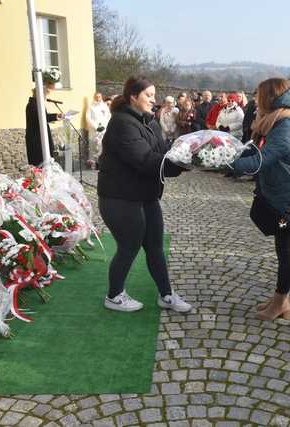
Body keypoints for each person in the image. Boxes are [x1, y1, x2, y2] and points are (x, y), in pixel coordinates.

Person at [97, 76, 191, 313]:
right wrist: (183, 162)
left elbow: (163, 153)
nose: (153, 99)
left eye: (153, 95)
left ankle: (166, 295)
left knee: (155, 246)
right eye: (148, 95)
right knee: (129, 246)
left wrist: (188, 154)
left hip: (145, 195)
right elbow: (145, 160)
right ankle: (114, 295)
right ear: (133, 97)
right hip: (119, 197)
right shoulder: (121, 123)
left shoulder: (150, 122)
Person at [229, 78, 290, 320]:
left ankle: (280, 302)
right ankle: (280, 299)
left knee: (286, 250)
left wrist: (224, 163)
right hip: (282, 195)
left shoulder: (286, 126)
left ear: (271, 98)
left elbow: (260, 161)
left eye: (259, 95)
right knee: (282, 248)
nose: (256, 99)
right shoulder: (278, 121)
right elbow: (256, 151)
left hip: (289, 202)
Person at [25, 70, 63, 166]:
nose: (45, 97)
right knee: (40, 165)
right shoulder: (33, 105)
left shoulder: (36, 104)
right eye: (45, 95)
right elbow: (40, 118)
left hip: (40, 138)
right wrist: (55, 116)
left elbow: (42, 117)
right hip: (37, 140)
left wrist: (56, 116)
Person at [86, 91, 111, 166]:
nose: (98, 98)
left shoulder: (105, 106)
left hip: (103, 129)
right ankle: (92, 164)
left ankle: (101, 164)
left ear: (101, 97)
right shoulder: (90, 107)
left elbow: (108, 116)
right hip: (94, 130)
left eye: (99, 97)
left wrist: (104, 126)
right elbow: (88, 118)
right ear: (94, 97)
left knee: (102, 146)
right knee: (93, 146)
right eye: (96, 97)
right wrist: (96, 127)